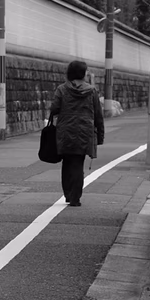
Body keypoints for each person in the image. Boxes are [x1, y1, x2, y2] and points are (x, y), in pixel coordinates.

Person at [48, 60, 105, 207]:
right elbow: (98, 115)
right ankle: (75, 197)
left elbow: (54, 108)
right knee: (78, 164)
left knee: (67, 162)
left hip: (65, 131)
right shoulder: (91, 91)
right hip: (85, 132)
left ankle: (68, 194)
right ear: (83, 73)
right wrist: (100, 136)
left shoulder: (62, 89)